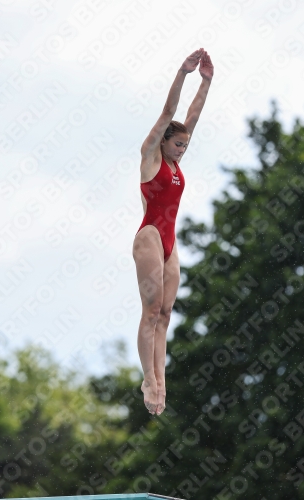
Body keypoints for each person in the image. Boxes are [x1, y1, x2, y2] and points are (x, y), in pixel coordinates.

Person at [132, 48, 214, 415]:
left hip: (170, 242)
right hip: (150, 235)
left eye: (186, 145)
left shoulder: (178, 162)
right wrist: (183, 73)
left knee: (165, 314)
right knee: (150, 311)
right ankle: (148, 379)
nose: (182, 148)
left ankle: (161, 386)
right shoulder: (151, 157)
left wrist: (207, 80)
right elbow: (170, 114)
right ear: (163, 140)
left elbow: (190, 118)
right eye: (178, 143)